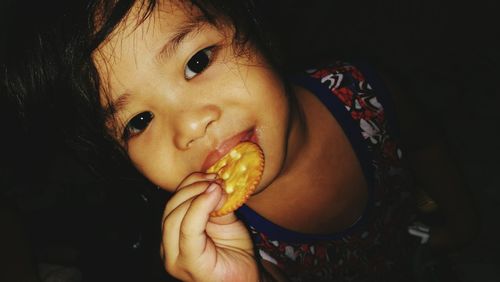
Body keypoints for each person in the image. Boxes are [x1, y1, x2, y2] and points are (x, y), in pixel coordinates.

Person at [1, 0, 479, 281]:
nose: (189, 127)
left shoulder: (361, 90)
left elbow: (425, 146)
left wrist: (461, 220)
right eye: (139, 120)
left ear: (252, 22)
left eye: (197, 61)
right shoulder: (220, 244)